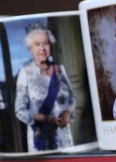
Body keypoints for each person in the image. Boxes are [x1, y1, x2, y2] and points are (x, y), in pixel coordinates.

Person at [15, 23, 76, 151]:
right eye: (37, 44)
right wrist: (46, 119)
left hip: (63, 137)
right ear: (30, 48)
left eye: (46, 43)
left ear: (50, 45)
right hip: (40, 138)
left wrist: (67, 112)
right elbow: (20, 110)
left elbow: (72, 99)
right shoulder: (25, 72)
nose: (42, 48)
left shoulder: (59, 70)